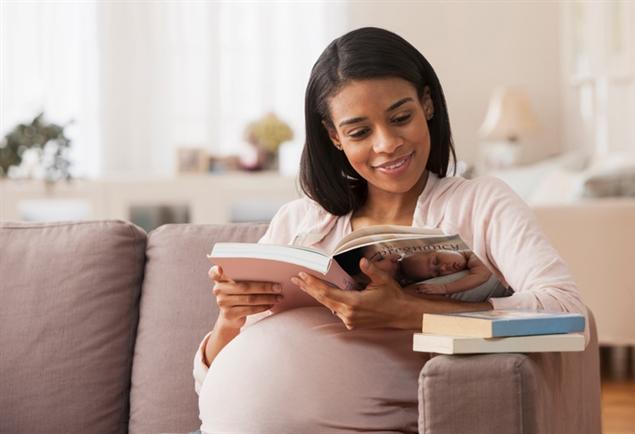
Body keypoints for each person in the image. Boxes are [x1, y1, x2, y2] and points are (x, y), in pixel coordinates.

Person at [194, 27, 588, 434]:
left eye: (401, 118)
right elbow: (210, 385)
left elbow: (566, 308)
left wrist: (409, 312)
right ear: (334, 137)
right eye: (360, 132)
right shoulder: (299, 220)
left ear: (428, 104)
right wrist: (230, 319)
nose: (387, 144)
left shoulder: (481, 203)